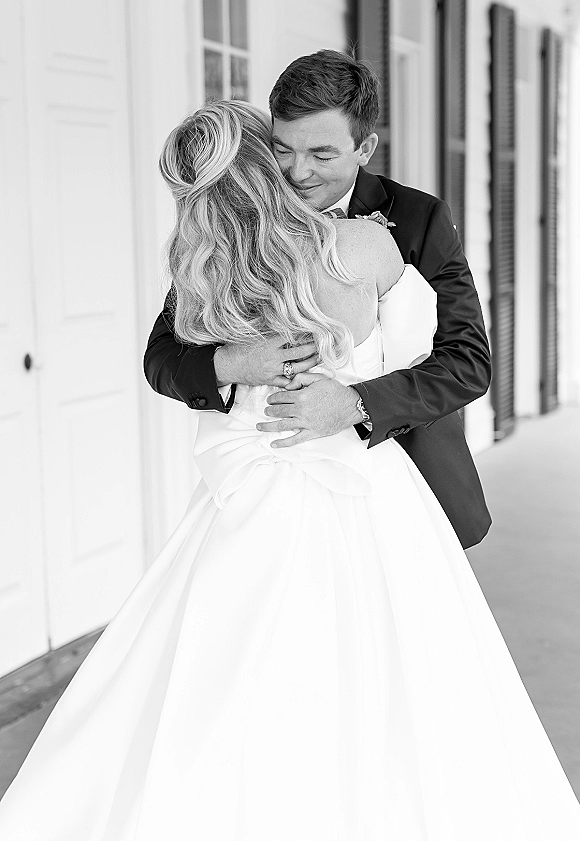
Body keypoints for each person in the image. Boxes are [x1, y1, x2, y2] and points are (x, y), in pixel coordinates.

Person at [1, 99, 579, 840]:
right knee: (409, 682)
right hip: (366, 490)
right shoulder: (367, 250)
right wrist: (270, 361)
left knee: (223, 678)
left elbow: (460, 366)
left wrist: (343, 397)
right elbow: (420, 350)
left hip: (251, 495)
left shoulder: (204, 275)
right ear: (265, 163)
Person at [144, 49, 492, 550]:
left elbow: (467, 362)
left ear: (364, 147)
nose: (298, 172)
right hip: (263, 482)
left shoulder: (419, 218)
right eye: (282, 150)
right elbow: (161, 359)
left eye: (322, 155)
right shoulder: (225, 235)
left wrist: (355, 403)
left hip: (398, 475)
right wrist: (232, 361)